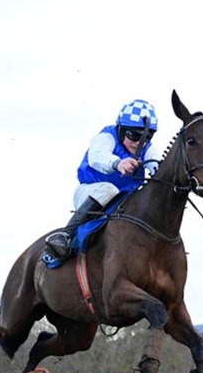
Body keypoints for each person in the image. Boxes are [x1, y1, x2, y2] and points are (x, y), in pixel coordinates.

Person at [45, 98, 166, 260]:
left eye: (146, 138)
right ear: (121, 130)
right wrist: (117, 163)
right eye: (134, 135)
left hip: (124, 200)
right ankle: (65, 235)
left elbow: (159, 167)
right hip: (91, 191)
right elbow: (98, 157)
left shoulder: (147, 149)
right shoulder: (107, 137)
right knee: (109, 189)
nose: (139, 143)